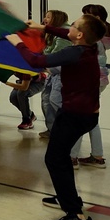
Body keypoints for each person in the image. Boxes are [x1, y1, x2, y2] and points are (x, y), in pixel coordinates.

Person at [8, 13, 107, 220]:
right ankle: (67, 197)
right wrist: (42, 28)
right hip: (84, 114)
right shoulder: (89, 47)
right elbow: (66, 33)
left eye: (73, 25)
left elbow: (36, 61)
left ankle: (77, 216)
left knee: (54, 158)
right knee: (59, 157)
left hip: (75, 115)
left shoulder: (74, 52)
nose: (68, 27)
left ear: (80, 34)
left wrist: (18, 43)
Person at [73, 4, 110, 167]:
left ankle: (72, 156)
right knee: (91, 118)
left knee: (78, 117)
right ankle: (97, 156)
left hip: (90, 81)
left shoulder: (93, 39)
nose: (82, 17)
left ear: (97, 18)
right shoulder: (102, 38)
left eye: (86, 14)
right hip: (99, 80)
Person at [37, 10, 71, 139]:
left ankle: (65, 129)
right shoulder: (51, 34)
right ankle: (52, 129)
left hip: (61, 72)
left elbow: (56, 54)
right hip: (52, 72)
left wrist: (41, 55)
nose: (45, 19)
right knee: (46, 100)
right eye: (45, 16)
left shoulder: (64, 33)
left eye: (48, 17)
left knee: (55, 100)